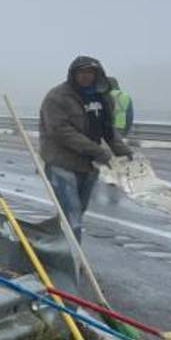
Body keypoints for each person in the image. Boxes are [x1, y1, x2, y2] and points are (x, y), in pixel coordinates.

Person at [40, 56, 133, 241]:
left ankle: (55, 246)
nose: (86, 76)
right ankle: (72, 260)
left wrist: (123, 152)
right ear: (73, 74)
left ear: (98, 74)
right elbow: (60, 131)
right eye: (81, 72)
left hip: (88, 165)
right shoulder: (57, 97)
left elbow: (108, 129)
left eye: (90, 72)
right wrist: (99, 152)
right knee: (71, 213)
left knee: (78, 211)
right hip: (61, 163)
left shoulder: (102, 96)